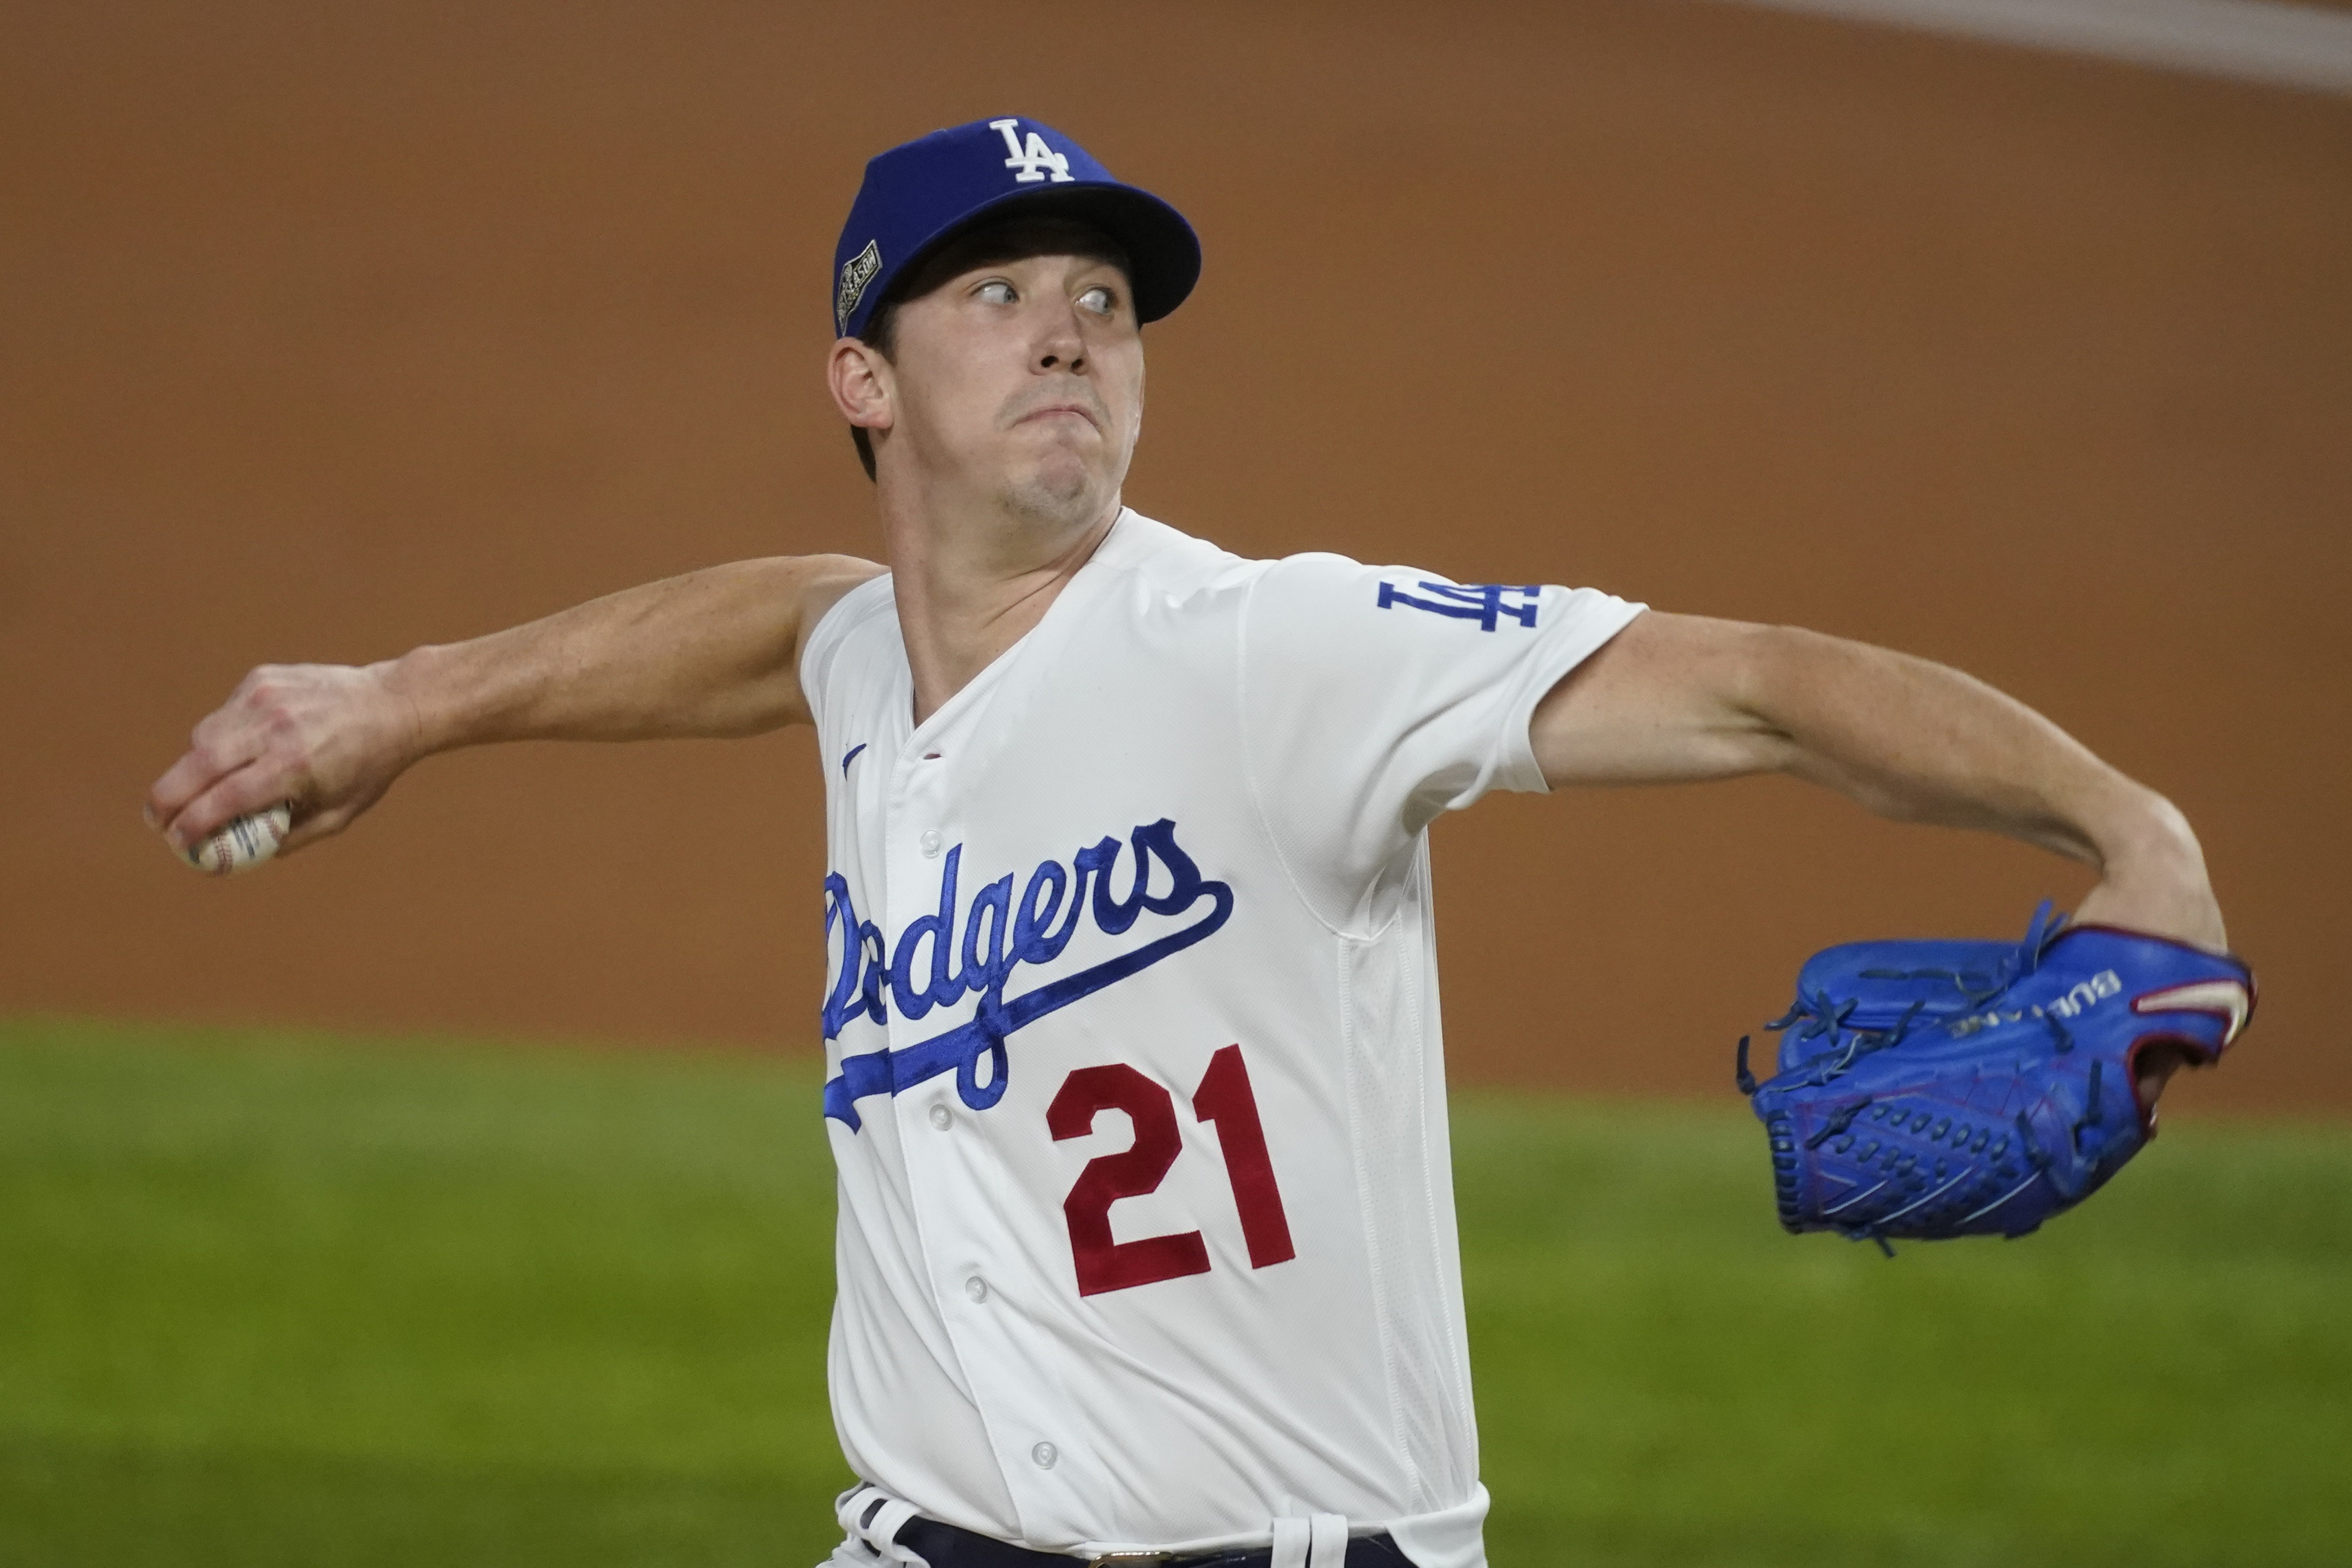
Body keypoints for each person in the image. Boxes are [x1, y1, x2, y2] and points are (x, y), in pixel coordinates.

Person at [145, 117, 2228, 1568]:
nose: (1070, 329)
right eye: (1000, 295)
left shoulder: (1271, 649)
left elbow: (1759, 679)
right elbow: (777, 620)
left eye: (1104, 303)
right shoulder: (875, 660)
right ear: (862, 378)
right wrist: (403, 701)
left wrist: (2126, 826)